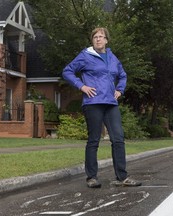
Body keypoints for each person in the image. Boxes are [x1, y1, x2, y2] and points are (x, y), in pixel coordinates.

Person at [62, 27, 141, 188]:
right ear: (93, 40)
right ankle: (91, 177)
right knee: (94, 140)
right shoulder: (85, 56)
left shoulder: (112, 57)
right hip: (93, 103)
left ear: (106, 40)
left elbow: (123, 75)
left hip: (111, 103)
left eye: (101, 37)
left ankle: (122, 177)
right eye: (95, 37)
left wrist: (119, 90)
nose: (98, 39)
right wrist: (81, 86)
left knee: (118, 139)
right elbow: (67, 71)